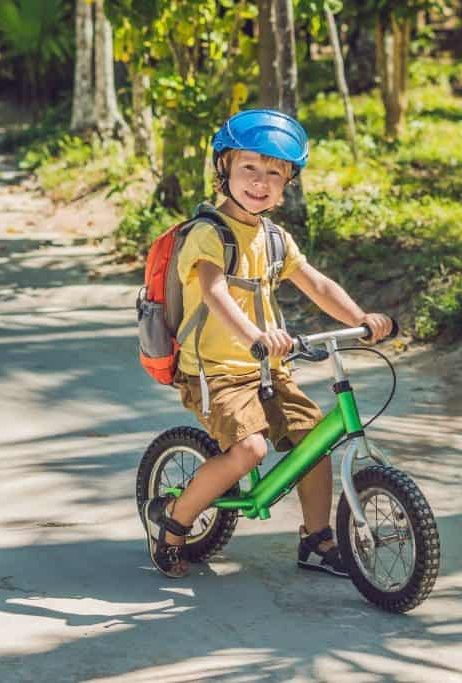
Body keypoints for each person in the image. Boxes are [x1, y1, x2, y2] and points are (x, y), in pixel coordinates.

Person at [142, 109, 393, 578]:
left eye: (274, 173)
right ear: (224, 170)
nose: (260, 182)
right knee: (249, 451)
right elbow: (215, 292)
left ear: (287, 182)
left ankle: (317, 539)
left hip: (267, 370)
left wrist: (361, 318)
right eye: (249, 169)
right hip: (215, 371)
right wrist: (256, 336)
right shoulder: (207, 233)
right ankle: (173, 525)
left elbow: (316, 284)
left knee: (315, 440)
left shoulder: (275, 237)